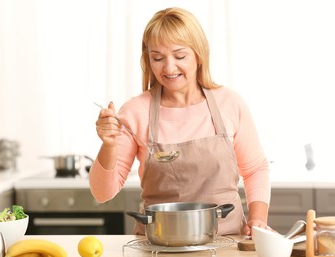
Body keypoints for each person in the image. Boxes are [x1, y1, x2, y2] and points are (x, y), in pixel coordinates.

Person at [89, 7, 271, 237]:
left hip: (227, 242)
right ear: (148, 60)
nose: (169, 67)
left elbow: (255, 169)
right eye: (157, 57)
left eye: (179, 55)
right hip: (157, 246)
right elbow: (102, 193)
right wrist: (109, 145)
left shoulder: (229, 103)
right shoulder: (135, 111)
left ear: (199, 54)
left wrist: (257, 219)